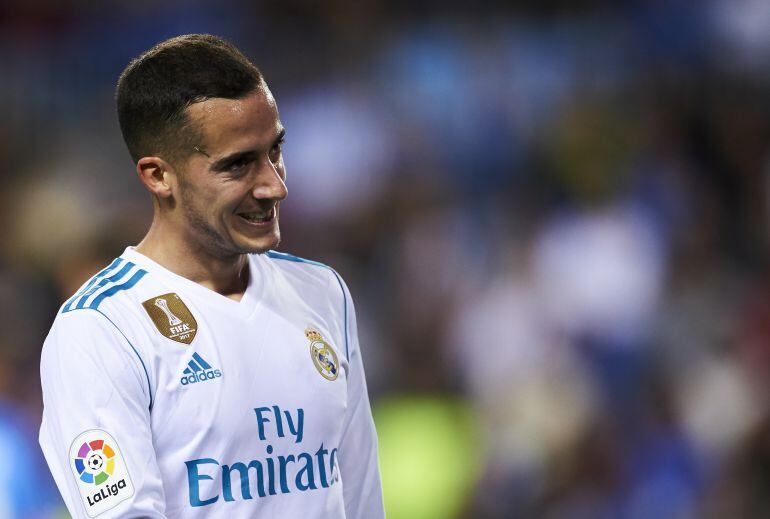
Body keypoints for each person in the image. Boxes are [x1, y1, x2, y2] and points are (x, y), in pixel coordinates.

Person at [38, 34, 384, 518]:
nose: (275, 185)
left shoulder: (322, 293)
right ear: (158, 176)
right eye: (239, 164)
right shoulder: (101, 328)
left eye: (275, 150)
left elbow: (362, 496)